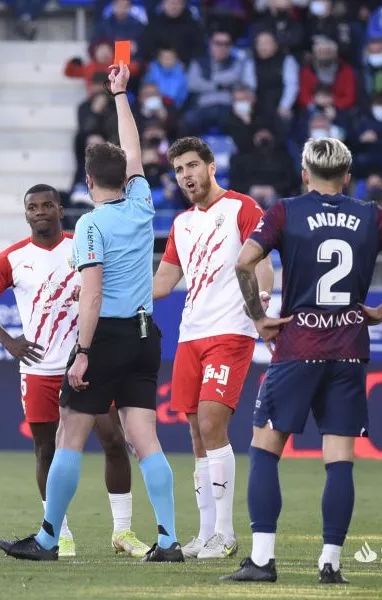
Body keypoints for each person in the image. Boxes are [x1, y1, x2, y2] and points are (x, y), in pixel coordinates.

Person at [222, 138, 382, 584]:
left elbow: (244, 263)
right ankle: (331, 564)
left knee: (265, 451)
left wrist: (259, 317)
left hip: (297, 347)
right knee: (339, 458)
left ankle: (262, 561)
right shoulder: (372, 214)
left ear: (304, 173)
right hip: (350, 348)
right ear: (348, 177)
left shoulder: (284, 210)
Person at [0, 63, 182, 563]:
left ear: (86, 181)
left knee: (69, 437)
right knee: (146, 440)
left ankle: (49, 538)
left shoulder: (90, 228)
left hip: (107, 339)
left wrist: (81, 353)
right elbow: (136, 154)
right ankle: (167, 540)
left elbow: (92, 296)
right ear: (125, 176)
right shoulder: (143, 203)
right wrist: (121, 96)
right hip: (147, 336)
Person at [0, 184, 148, 559]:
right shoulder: (12, 258)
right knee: (45, 450)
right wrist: (9, 342)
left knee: (113, 441)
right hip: (38, 369)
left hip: (86, 364)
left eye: (46, 205)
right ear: (26, 214)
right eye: (32, 207)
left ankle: (123, 531)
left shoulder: (81, 245)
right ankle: (60, 532)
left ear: (59, 208)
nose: (39, 212)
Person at [152, 136, 273, 560]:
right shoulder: (181, 224)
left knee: (210, 423)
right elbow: (163, 284)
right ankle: (205, 534)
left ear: (210, 166)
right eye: (178, 169)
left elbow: (262, 263)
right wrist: (108, 291)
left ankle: (226, 532)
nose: (185, 175)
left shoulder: (241, 208)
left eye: (191, 166)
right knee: (195, 434)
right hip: (191, 334)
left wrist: (260, 311)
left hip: (231, 330)